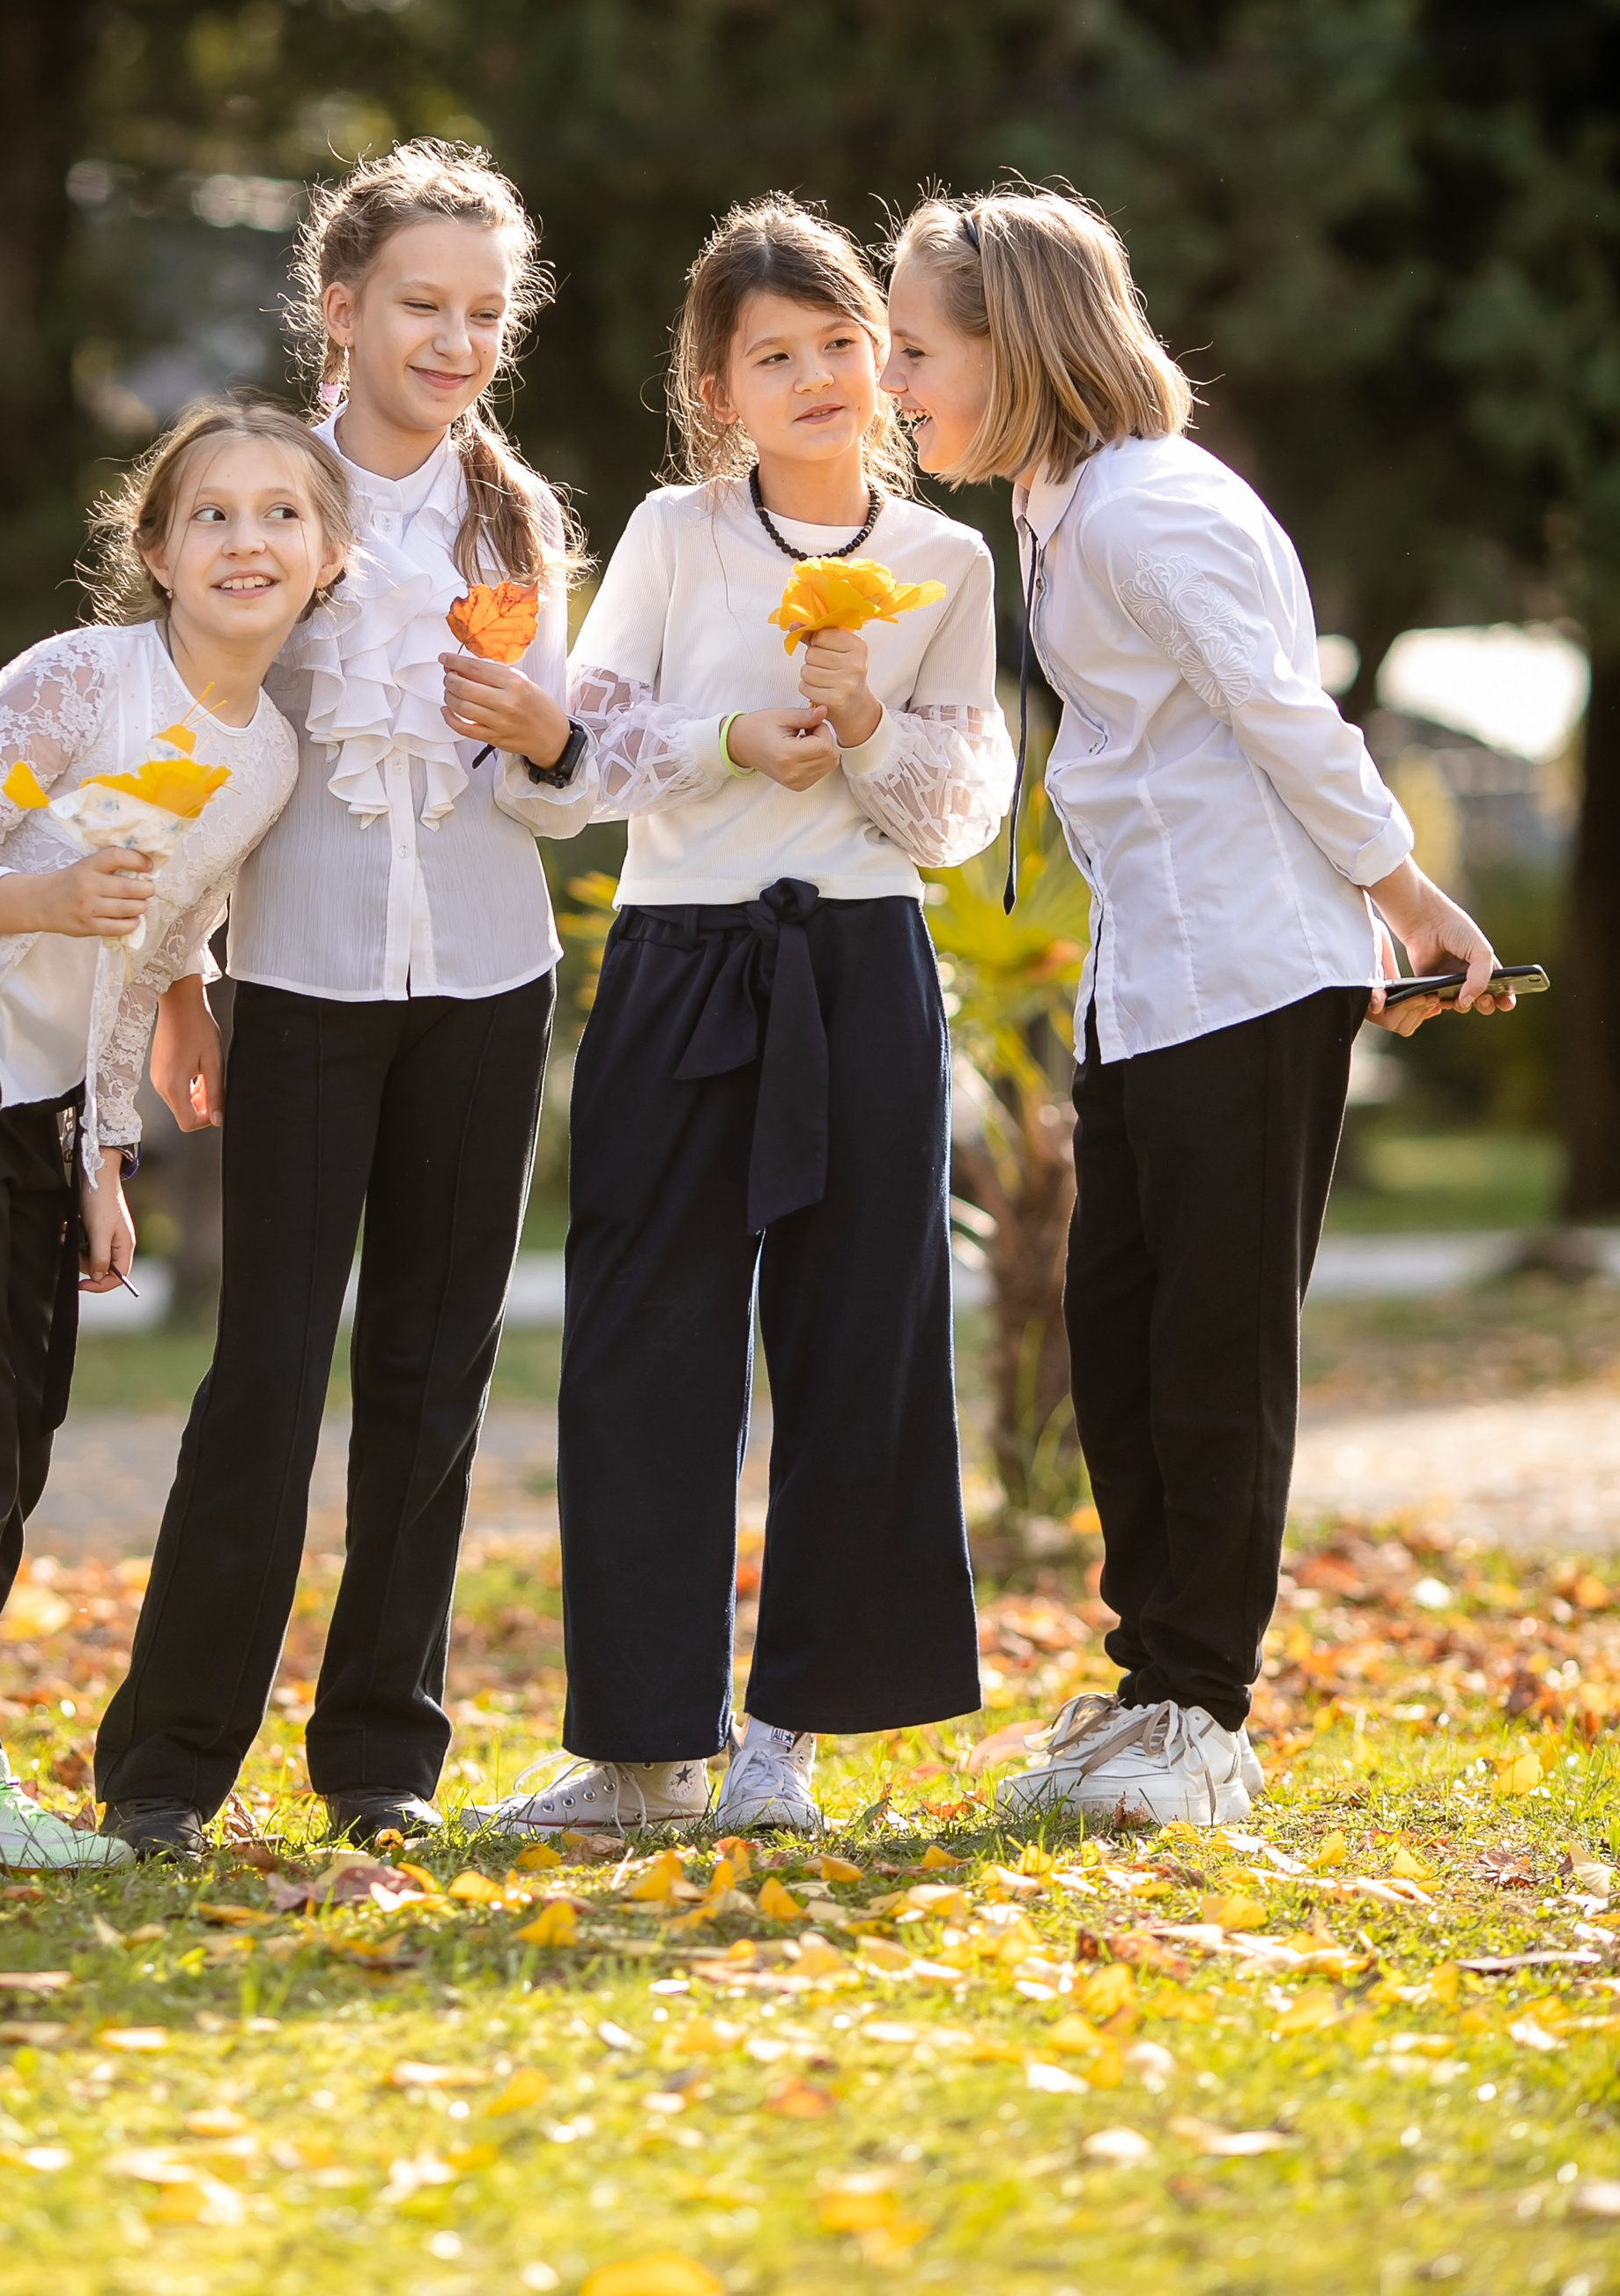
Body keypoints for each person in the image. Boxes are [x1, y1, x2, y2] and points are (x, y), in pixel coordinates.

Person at [883, 187, 1509, 1828]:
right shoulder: (1063, 504)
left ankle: (1205, 1716)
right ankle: (1151, 1680)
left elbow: (1285, 716)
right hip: (1153, 987)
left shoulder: (1153, 511)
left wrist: (1411, 901)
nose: (894, 380)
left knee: (1215, 1352)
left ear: (1015, 346)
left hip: (1253, 970)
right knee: (1124, 1337)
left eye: (916, 348)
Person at [471, 196, 1013, 1841]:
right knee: (645, 1344)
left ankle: (788, 1741)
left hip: (861, 971)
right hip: (681, 963)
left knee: (863, 1341)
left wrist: (862, 731)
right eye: (772, 356)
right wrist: (735, 739)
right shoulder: (672, 535)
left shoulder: (943, 560)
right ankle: (641, 1749)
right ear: (720, 390)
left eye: (842, 341)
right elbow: (583, 758)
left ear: (879, 351)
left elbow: (962, 811)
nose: (818, 375)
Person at [94, 140, 602, 1863]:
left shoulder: (517, 519)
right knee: (263, 1373)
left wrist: (544, 742)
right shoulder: (261, 489)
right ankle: (166, 1763)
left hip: (486, 976)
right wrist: (173, 974)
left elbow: (553, 788)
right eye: (419, 305)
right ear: (341, 307)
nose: (453, 338)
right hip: (298, 979)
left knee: (432, 1371)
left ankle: (380, 1752)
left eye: (483, 312)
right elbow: (182, 744)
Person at [0, 400, 350, 1871]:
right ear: (159, 551)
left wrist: (104, 1152)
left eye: (282, 514)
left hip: (41, 1112)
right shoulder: (79, 679)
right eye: (214, 515)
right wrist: (44, 897)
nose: (250, 539)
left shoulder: (269, 762)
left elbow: (153, 948)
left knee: (21, 1436)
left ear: (328, 555)